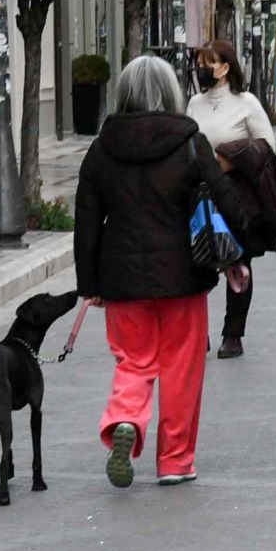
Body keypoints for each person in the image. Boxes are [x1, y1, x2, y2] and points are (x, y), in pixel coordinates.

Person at [73, 55, 245, 488]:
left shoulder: (102, 147)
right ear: (171, 93)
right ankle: (175, 460)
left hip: (122, 279)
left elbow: (87, 219)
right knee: (181, 369)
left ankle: (125, 420)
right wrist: (236, 254)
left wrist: (88, 284)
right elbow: (224, 199)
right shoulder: (189, 140)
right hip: (184, 275)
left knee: (133, 361)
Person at [190, 38, 275, 359]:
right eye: (199, 64)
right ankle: (198, 331)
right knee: (198, 262)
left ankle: (233, 333)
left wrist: (231, 157)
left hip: (237, 194)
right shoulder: (194, 104)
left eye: (207, 64)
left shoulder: (246, 103)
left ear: (225, 68)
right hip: (201, 194)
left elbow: (266, 145)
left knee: (237, 260)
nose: (201, 71)